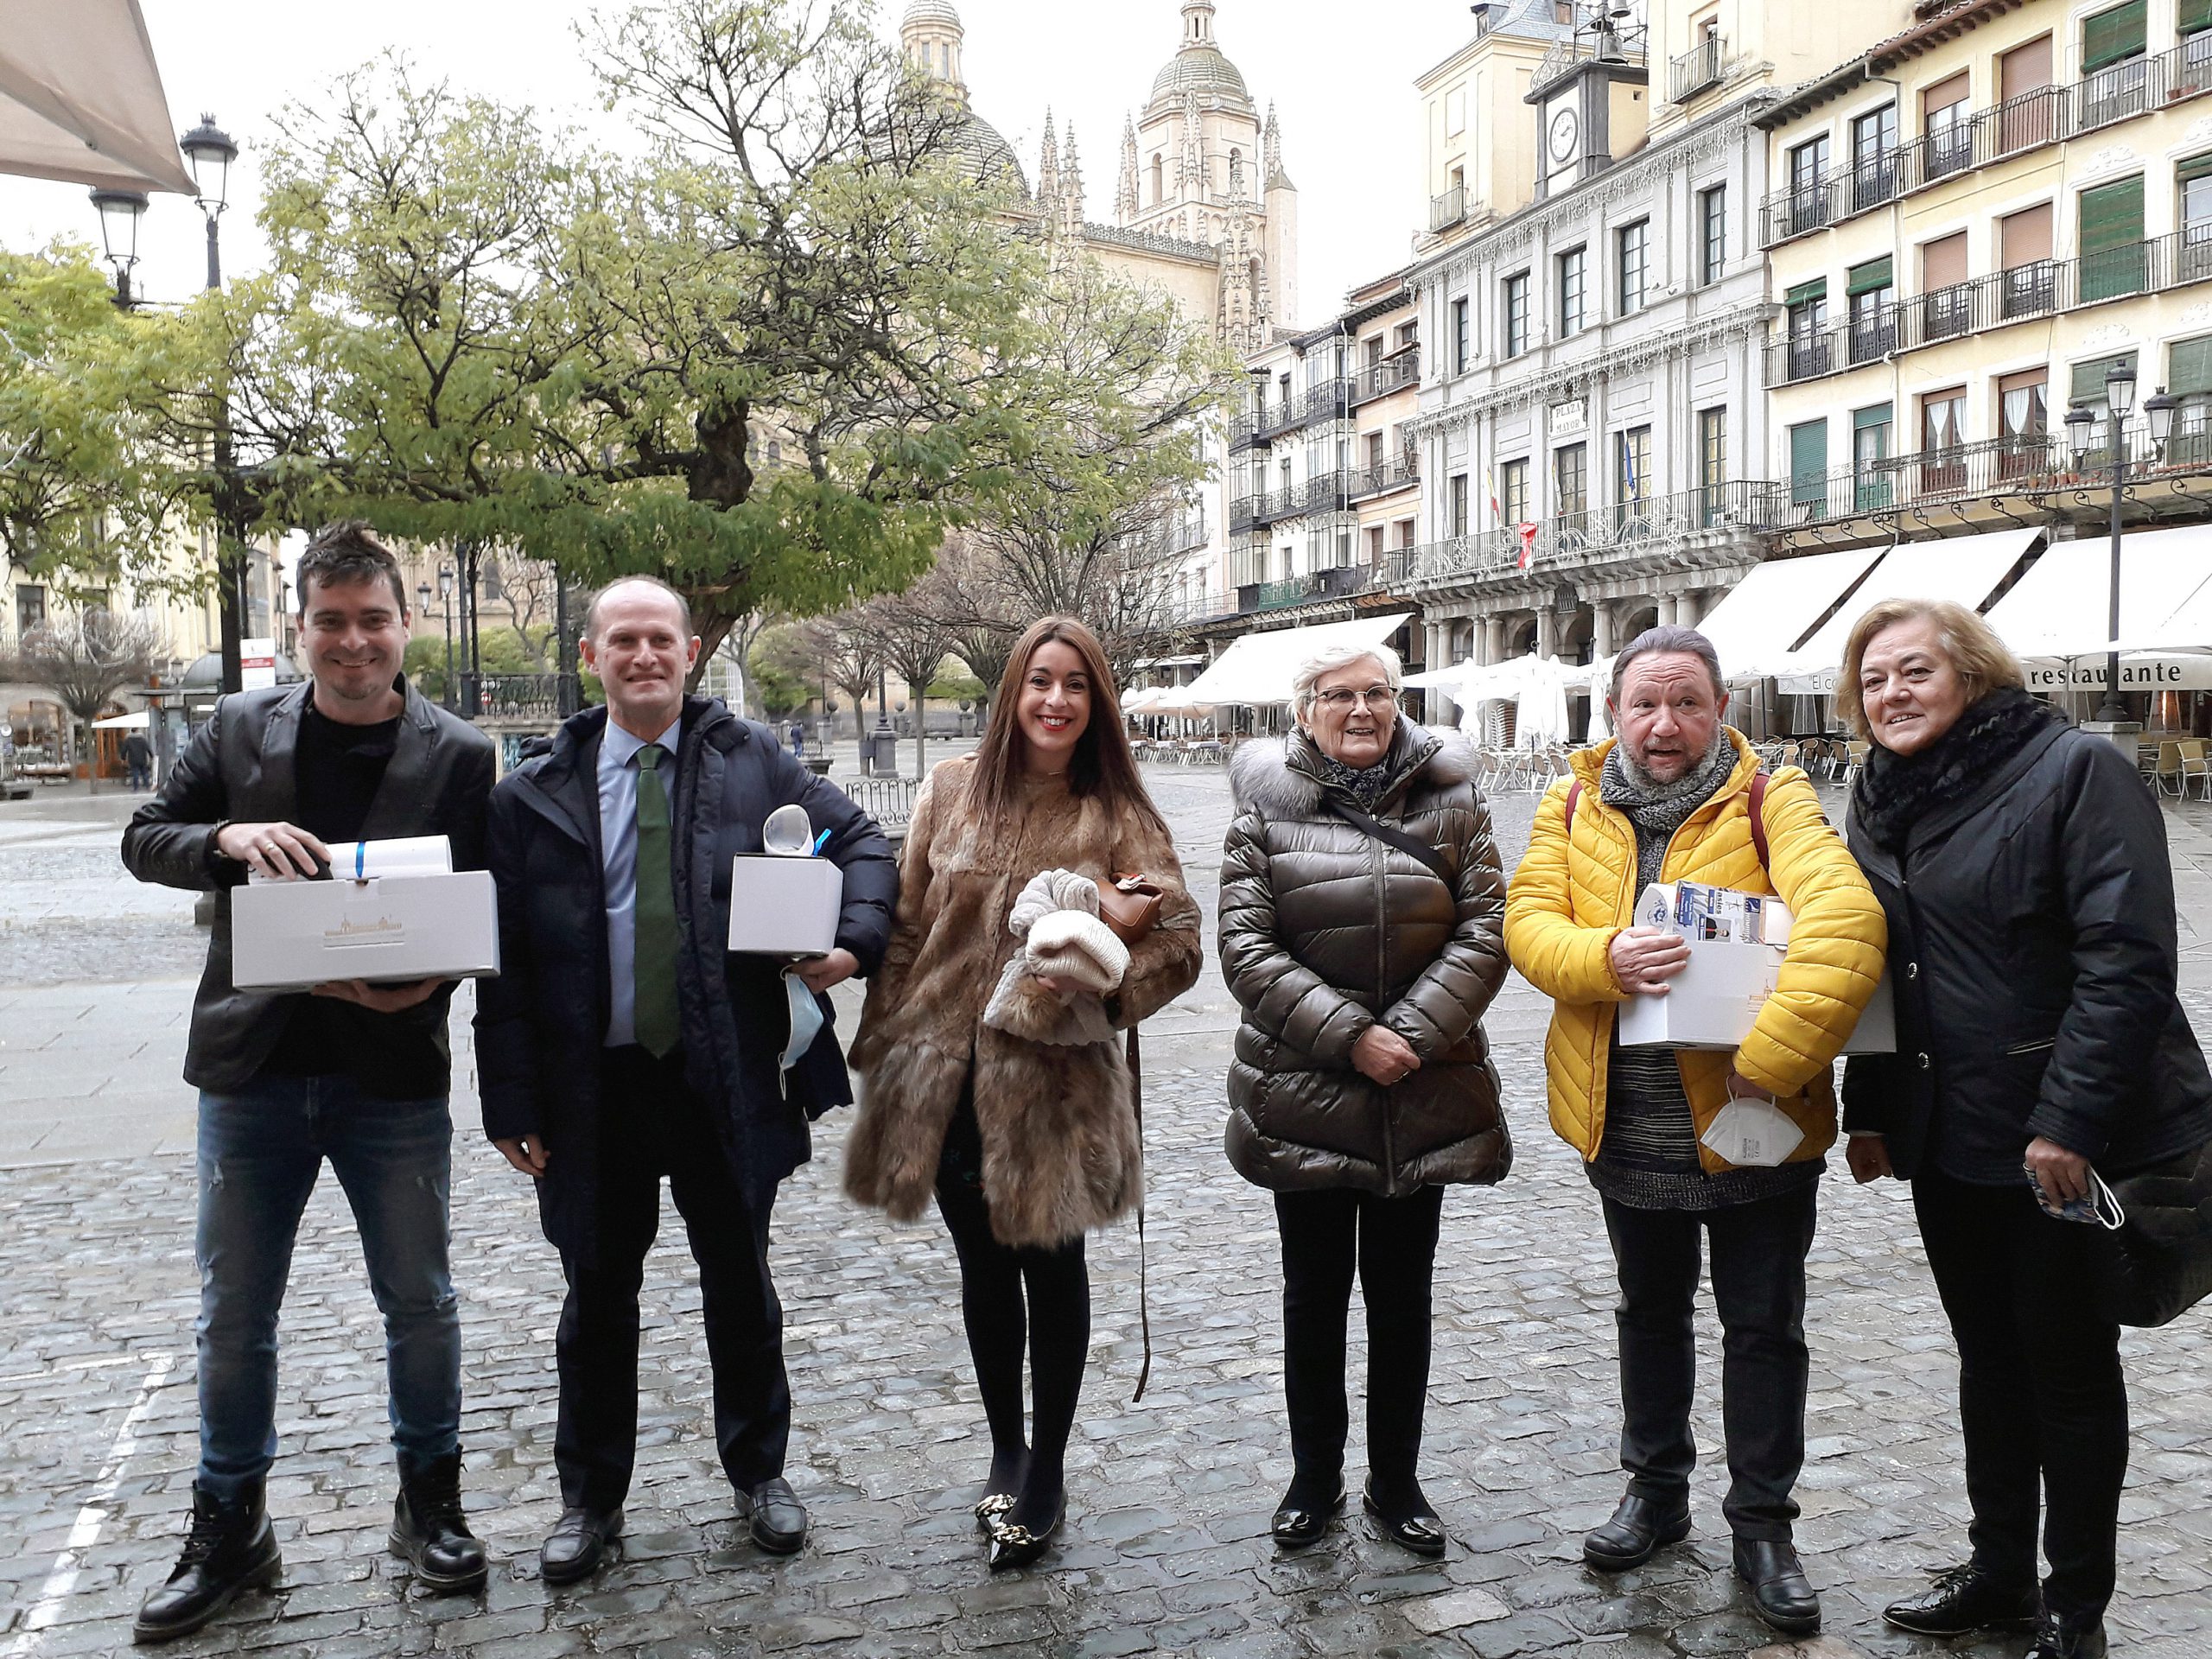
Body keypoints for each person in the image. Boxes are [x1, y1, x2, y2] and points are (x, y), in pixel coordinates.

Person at [474, 575, 896, 1582]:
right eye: (622, 641)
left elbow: (869, 845)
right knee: (596, 1300)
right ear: (592, 657)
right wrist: (508, 1096)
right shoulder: (532, 792)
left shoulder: (754, 763)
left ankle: (760, 1474)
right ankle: (590, 1502)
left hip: (725, 1073)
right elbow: (507, 960)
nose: (644, 657)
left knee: (740, 1286)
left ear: (692, 649)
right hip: (593, 1089)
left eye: (660, 640)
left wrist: (851, 945)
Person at [120, 522, 497, 1643]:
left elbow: (486, 912)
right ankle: (231, 1524)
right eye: (330, 621)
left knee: (420, 1307)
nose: (352, 640)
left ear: (404, 624)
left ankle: (429, 1504)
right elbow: (146, 837)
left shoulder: (462, 755)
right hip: (254, 1072)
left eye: (372, 618)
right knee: (234, 1316)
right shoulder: (238, 728)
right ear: (300, 629)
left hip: (392, 1076)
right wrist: (228, 836)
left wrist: (422, 989)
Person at [1838, 599, 2212, 1659]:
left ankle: (2074, 1607)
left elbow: (2127, 959)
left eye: (1913, 672)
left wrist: (2069, 1121)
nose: (1891, 695)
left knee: (2066, 1368)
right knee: (1986, 1361)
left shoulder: (2070, 772)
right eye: (1872, 681)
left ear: (1973, 674)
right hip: (1947, 1134)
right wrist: (1869, 1110)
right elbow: (1874, 965)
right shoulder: (1876, 798)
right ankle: (1998, 1570)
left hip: (2058, 1139)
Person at [1503, 624, 1885, 1638]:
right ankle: (1655, 1491)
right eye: (1644, 704)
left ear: (1721, 710)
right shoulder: (1572, 802)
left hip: (1756, 1128)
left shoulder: (1775, 800)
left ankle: (1763, 1525)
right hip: (1623, 1119)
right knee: (1649, 1310)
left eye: (1686, 704)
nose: (1664, 725)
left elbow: (1843, 917)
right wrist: (1603, 956)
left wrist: (1770, 1065)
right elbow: (1527, 922)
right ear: (1614, 712)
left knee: (1764, 1326)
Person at [844, 614, 1202, 1571]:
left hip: (1054, 1086)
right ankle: (1005, 1442)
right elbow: (912, 922)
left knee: (1051, 1266)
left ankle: (1045, 1467)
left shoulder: (1116, 809)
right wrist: (886, 1045)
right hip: (943, 1074)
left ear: (1097, 703)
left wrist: (1099, 977)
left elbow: (1179, 944)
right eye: (1039, 680)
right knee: (981, 1267)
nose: (1054, 700)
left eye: (1075, 685)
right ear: (1012, 690)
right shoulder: (952, 788)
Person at [1217, 642, 1510, 1558]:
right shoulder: (1260, 815)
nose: (1359, 710)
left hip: (1420, 1085)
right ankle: (1313, 1479)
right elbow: (1246, 948)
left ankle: (1397, 1480)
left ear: (1397, 702)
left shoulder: (1454, 802)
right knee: (1312, 1297)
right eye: (1336, 695)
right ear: (1302, 710)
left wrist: (1411, 1036)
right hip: (1303, 1085)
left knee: (1402, 1296)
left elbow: (1489, 923)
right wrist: (1350, 1035)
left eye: (1376, 693)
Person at [122, 726, 154, 791]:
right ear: (137, 730)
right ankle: (147, 786)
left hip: (133, 759)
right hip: (142, 758)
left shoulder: (128, 739)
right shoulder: (142, 739)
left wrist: (123, 758)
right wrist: (152, 756)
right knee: (145, 773)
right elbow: (148, 748)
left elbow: (124, 750)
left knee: (135, 774)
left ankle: (136, 788)